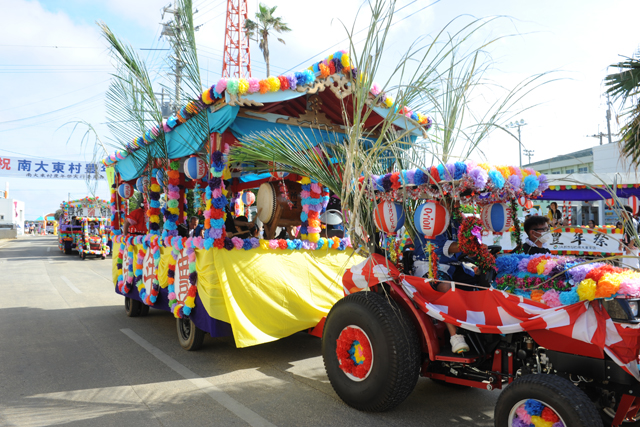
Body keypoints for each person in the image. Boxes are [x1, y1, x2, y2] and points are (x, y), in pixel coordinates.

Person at [413, 199, 483, 354]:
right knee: (445, 287)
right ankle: (455, 336)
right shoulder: (430, 219)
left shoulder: (455, 221)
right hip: (429, 266)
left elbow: (465, 246)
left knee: (482, 280)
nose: (456, 206)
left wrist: (475, 247)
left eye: (456, 202)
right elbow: (442, 247)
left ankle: (478, 325)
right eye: (451, 202)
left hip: (453, 266)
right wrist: (468, 245)